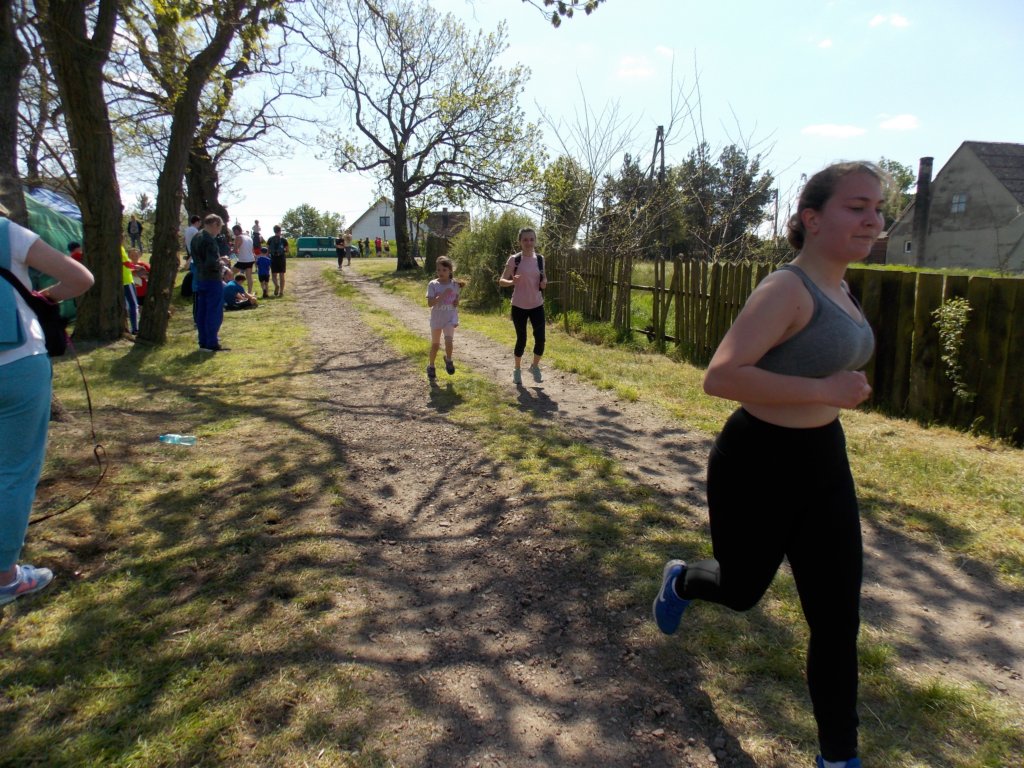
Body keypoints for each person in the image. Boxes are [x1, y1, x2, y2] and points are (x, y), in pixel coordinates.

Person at [652, 162, 885, 768]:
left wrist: (831, 394)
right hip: (757, 463)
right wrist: (826, 390)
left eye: (878, 208)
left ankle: (839, 757)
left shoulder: (842, 289)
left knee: (836, 621)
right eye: (856, 206)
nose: (873, 219)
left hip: (824, 462)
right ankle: (682, 580)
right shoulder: (786, 289)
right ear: (813, 218)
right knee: (740, 590)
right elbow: (721, 377)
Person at [0, 202, 94, 607]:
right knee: (14, 471)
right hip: (16, 362)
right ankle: (5, 577)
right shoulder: (6, 232)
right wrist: (44, 296)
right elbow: (79, 278)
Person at [498, 226, 547, 385]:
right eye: (525, 239)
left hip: (537, 305)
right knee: (522, 339)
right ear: (520, 241)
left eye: (531, 239)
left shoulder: (540, 259)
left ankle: (534, 366)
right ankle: (517, 369)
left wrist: (544, 282)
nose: (528, 242)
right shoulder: (514, 259)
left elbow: (543, 278)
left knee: (541, 339)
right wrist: (512, 282)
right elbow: (501, 281)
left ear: (535, 241)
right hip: (519, 306)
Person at [425, 256, 465, 381]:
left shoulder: (455, 285)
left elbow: (456, 299)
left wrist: (456, 302)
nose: (441, 272)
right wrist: (442, 295)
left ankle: (448, 360)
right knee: (435, 345)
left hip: (449, 318)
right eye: (438, 270)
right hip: (437, 318)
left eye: (444, 270)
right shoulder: (433, 284)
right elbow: (430, 303)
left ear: (450, 271)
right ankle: (431, 366)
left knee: (449, 341)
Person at [192, 213, 228, 351]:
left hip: (200, 278)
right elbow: (211, 263)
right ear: (214, 225)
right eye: (219, 227)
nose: (219, 231)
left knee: (202, 311)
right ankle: (212, 342)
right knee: (214, 311)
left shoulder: (196, 237)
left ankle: (203, 341)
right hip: (212, 279)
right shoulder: (209, 240)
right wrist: (222, 263)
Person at [231, 224, 256, 294]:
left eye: (234, 231)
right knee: (249, 277)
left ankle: (233, 289)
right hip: (250, 259)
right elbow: (251, 249)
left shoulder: (238, 237)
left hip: (243, 260)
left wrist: (229, 251)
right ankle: (249, 292)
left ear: (237, 230)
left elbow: (235, 250)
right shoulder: (249, 237)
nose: (234, 233)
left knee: (230, 273)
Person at [121, 242, 140, 335]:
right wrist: (135, 267)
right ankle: (135, 328)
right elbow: (126, 263)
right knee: (133, 305)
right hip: (126, 280)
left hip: (122, 280)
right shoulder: (120, 248)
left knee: (127, 305)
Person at [266, 225, 288, 297]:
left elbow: (267, 251)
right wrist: (283, 251)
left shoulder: (270, 239)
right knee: (282, 275)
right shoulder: (284, 240)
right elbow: (287, 250)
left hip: (273, 258)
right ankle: (281, 292)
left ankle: (276, 285)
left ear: (274, 231)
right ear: (280, 230)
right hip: (281, 258)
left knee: (274, 275)